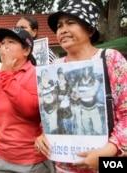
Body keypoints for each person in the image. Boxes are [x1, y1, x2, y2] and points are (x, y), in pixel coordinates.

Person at [35, 0, 127, 172]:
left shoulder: (111, 59)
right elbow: (50, 114)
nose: (62, 30)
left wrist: (108, 151)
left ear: (90, 29)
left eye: (71, 23)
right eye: (59, 25)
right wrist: (43, 136)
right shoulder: (54, 67)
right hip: (65, 168)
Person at [0, 27, 55, 173]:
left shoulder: (37, 74)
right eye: (3, 42)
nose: (4, 46)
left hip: (31, 161)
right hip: (0, 159)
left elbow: (31, 111)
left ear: (26, 51)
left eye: (11, 42)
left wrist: (7, 75)